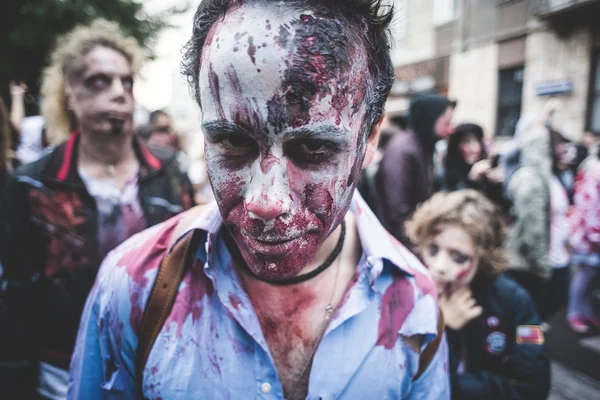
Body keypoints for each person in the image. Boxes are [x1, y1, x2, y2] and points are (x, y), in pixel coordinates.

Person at [69, 2, 449, 399]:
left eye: (314, 147)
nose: (267, 202)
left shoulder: (414, 308)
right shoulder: (132, 288)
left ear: (369, 139)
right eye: (232, 141)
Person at [0, 20, 194, 399]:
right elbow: (16, 294)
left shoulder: (168, 171)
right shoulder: (33, 184)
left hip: (159, 359)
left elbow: (190, 265)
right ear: (68, 93)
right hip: (61, 370)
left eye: (127, 82)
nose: (119, 94)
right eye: (99, 82)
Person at [406, 190, 551, 399]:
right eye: (433, 249)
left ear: (483, 258)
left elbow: (533, 383)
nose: (439, 267)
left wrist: (459, 388)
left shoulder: (516, 300)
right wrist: (444, 328)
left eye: (458, 257)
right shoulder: (409, 294)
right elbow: (407, 380)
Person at [374, 93, 455, 246]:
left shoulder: (421, 145)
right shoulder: (403, 149)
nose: (450, 129)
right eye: (446, 122)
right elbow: (396, 209)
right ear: (431, 118)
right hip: (398, 243)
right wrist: (413, 245)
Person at [504, 115, 552, 315]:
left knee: (520, 313)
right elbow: (534, 226)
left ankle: (525, 345)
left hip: (520, 260)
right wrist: (541, 263)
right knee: (528, 315)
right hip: (524, 263)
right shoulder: (531, 179)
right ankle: (530, 346)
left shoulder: (527, 174)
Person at [567, 153, 600, 333]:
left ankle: (585, 312)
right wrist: (595, 236)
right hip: (589, 236)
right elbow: (590, 208)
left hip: (592, 235)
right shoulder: (596, 173)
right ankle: (574, 313)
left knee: (591, 277)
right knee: (584, 276)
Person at [442, 123, 505, 210]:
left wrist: (499, 184)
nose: (474, 148)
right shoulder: (445, 172)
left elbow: (500, 207)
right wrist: (471, 180)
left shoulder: (487, 167)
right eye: (466, 142)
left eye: (477, 141)